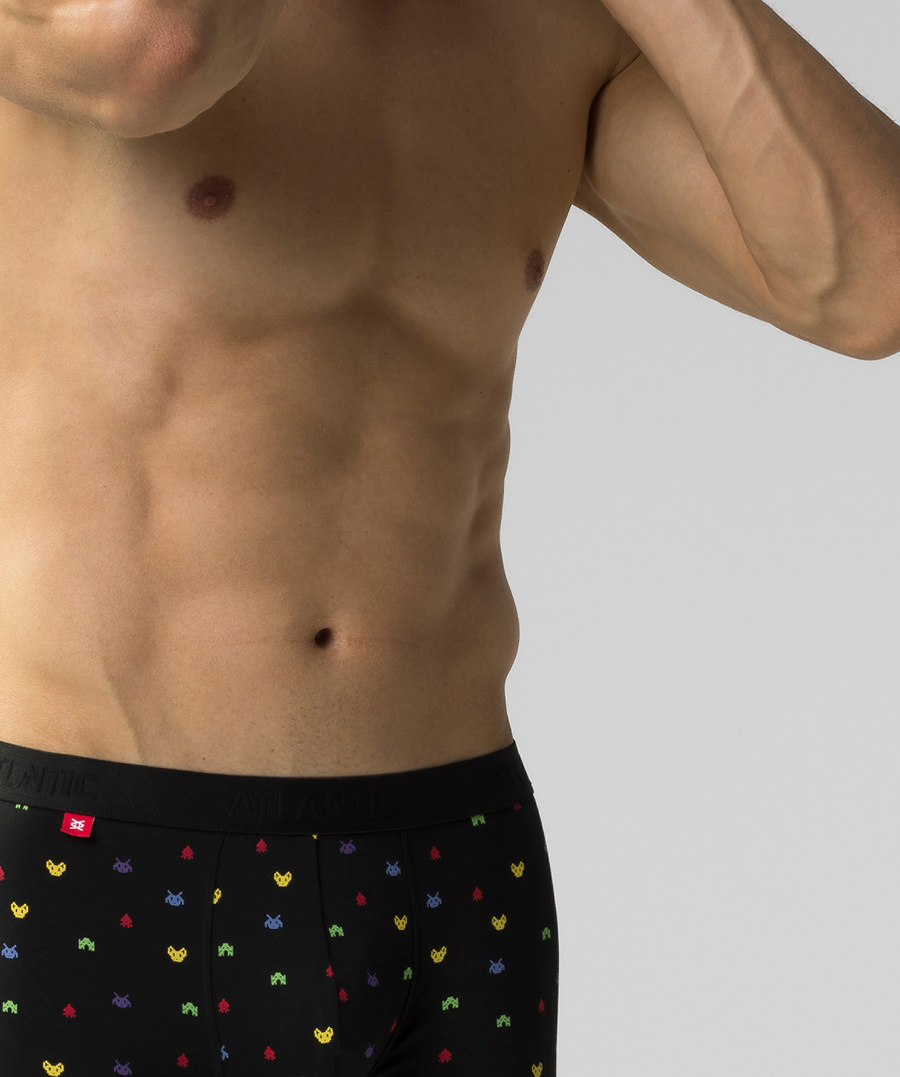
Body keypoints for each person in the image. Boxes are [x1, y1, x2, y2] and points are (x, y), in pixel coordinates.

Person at [0, 0, 897, 1073]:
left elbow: (869, 286)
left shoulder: (557, 34)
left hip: (453, 860)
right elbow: (151, 52)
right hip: (103, 847)